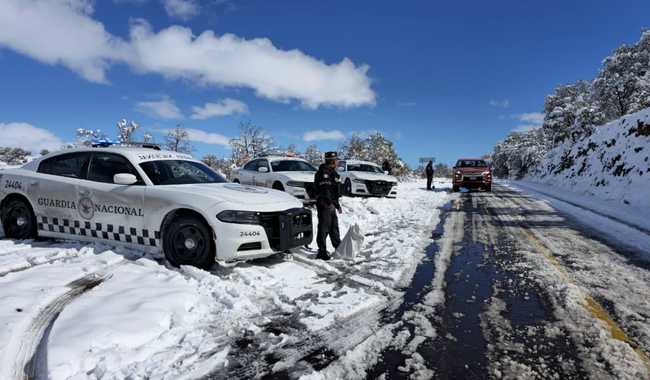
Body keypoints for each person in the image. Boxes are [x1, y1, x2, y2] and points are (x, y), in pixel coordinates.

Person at [313, 151, 342, 260]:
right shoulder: (323, 172)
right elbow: (325, 189)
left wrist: (337, 205)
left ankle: (338, 247)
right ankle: (322, 252)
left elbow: (334, 190)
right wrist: (329, 203)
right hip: (324, 204)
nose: (337, 161)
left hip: (331, 204)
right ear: (332, 161)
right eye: (336, 160)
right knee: (323, 228)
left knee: (334, 227)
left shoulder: (333, 172)